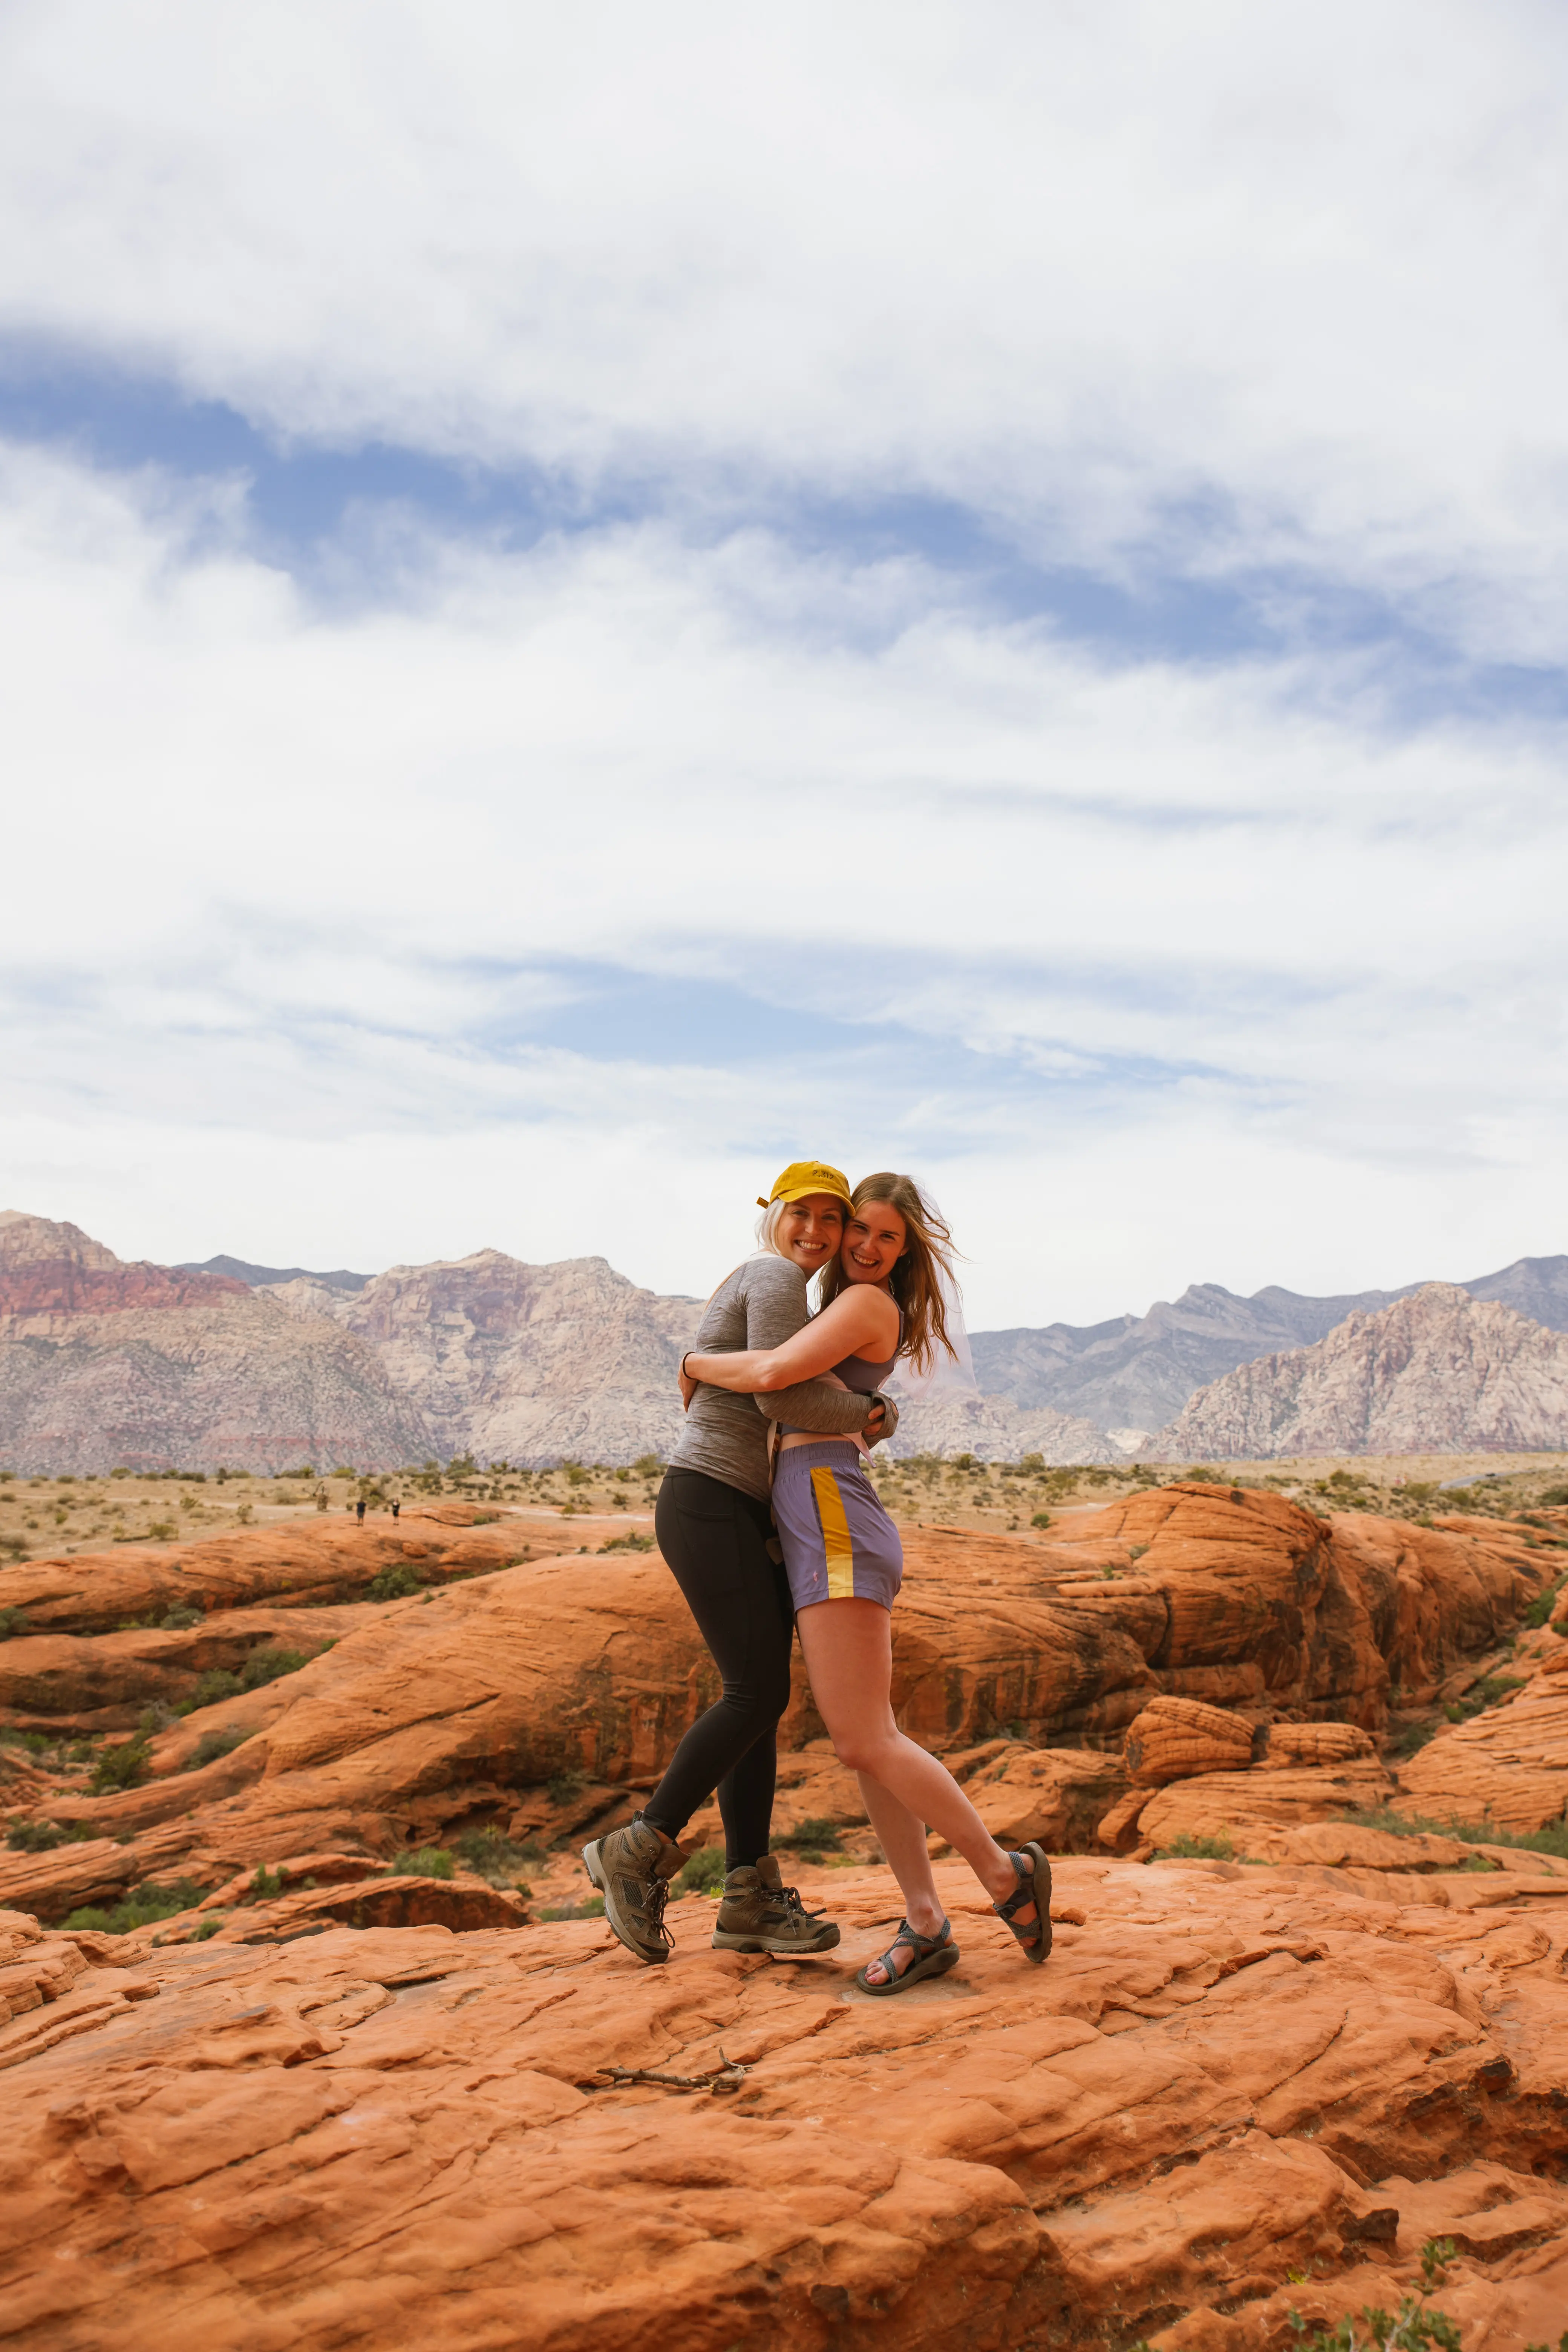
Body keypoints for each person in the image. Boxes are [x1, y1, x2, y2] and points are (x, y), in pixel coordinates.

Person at [681, 1173, 1050, 1994]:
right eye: (863, 1232)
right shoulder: (841, 1304)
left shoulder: (864, 1304)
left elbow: (777, 1377)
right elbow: (819, 1390)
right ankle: (923, 1922)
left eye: (889, 1238)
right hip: (819, 1512)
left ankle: (1001, 1873)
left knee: (862, 1741)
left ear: (905, 1251)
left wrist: (695, 1362)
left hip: (832, 1514)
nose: (868, 1248)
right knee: (869, 1744)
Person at [583, 1161, 899, 1966]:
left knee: (755, 1698)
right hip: (708, 1498)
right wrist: (872, 1412)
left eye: (833, 1221)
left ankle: (748, 1899)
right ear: (774, 1217)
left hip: (733, 1507)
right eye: (804, 1215)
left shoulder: (793, 1292)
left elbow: (770, 1383)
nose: (817, 1234)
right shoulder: (771, 1276)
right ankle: (641, 1845)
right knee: (758, 1690)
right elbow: (779, 1396)